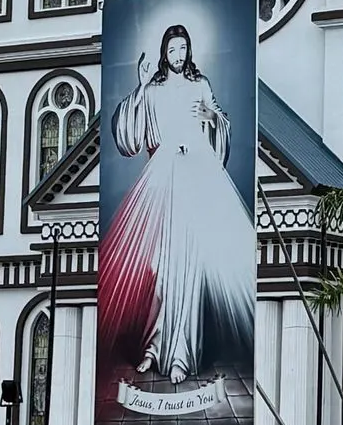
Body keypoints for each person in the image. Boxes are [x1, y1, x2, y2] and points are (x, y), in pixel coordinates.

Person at [101, 22, 257, 388]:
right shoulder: (152, 90)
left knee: (188, 273)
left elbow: (220, 124)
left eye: (182, 48)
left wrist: (212, 120)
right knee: (163, 272)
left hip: (196, 181)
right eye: (171, 50)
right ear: (163, 53)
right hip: (162, 184)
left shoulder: (200, 86)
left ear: (189, 50)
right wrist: (139, 87)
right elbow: (130, 139)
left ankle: (182, 356)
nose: (178, 55)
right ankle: (155, 348)